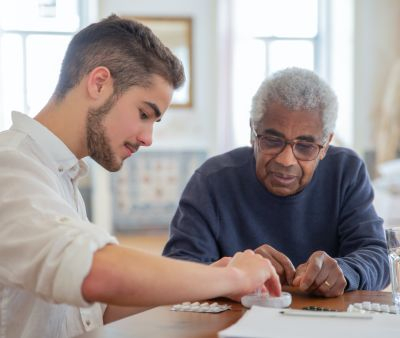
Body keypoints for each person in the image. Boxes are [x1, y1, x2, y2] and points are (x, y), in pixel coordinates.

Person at [0, 15, 281, 338]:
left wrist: (206, 277)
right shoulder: (10, 165)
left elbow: (95, 308)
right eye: (144, 114)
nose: (148, 138)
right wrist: (233, 279)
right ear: (99, 83)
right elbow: (95, 272)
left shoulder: (60, 175)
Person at [163, 67, 390, 298]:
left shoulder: (346, 172)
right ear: (253, 132)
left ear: (326, 144)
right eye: (272, 140)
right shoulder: (212, 181)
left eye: (305, 146)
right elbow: (178, 272)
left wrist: (345, 270)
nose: (286, 160)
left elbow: (379, 257)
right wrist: (237, 272)